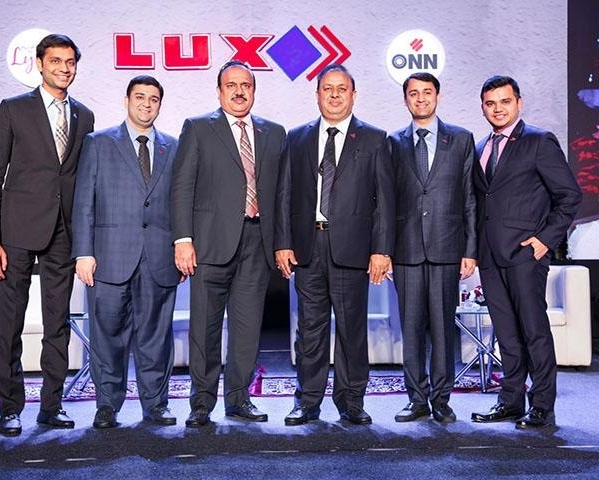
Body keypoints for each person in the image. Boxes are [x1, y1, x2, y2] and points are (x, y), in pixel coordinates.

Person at [0, 34, 94, 436]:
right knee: (10, 322)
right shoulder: (13, 109)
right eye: (56, 61)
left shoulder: (84, 116)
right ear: (40, 64)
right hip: (16, 231)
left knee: (57, 323)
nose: (64, 68)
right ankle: (9, 407)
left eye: (70, 62)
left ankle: (51, 405)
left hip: (63, 231)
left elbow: (80, 180)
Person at [275, 64, 395, 426]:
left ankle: (351, 401)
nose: (335, 95)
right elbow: (284, 194)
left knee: (351, 329)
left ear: (353, 95)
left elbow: (385, 201)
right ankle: (307, 401)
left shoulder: (374, 139)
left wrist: (381, 250)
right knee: (309, 330)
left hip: (353, 249)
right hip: (308, 246)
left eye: (342, 89)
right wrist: (283, 243)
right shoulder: (297, 137)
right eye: (327, 88)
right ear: (317, 95)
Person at [171, 60, 286, 427]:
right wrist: (183, 239)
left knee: (247, 328)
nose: (239, 91)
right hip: (209, 244)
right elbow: (182, 186)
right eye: (231, 85)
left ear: (254, 91)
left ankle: (239, 399)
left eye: (245, 85)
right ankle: (201, 404)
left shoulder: (274, 132)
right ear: (219, 91)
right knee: (204, 329)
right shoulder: (198, 128)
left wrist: (281, 243)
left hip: (257, 241)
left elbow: (281, 194)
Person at [470, 76, 582, 428]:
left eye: (504, 101)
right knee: (506, 334)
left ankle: (542, 406)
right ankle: (511, 401)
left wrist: (545, 239)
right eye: (490, 103)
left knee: (534, 331)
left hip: (525, 255)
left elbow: (569, 195)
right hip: (490, 256)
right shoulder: (480, 146)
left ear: (518, 103)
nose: (497, 109)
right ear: (483, 107)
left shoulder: (538, 141)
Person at [72, 75, 180, 429]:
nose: (146, 104)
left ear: (159, 104)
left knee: (156, 337)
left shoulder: (173, 146)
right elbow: (83, 202)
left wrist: (182, 246)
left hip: (159, 258)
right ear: (127, 100)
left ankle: (156, 405)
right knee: (107, 337)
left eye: (153, 99)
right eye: (140, 97)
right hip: (109, 256)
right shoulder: (99, 143)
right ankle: (107, 405)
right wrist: (83, 252)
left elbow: (182, 203)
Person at [389, 72, 477, 424]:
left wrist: (470, 249)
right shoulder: (393, 142)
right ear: (405, 100)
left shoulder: (461, 139)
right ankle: (416, 399)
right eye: (413, 93)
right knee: (411, 331)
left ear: (437, 96)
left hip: (447, 248)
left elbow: (469, 198)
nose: (421, 98)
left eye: (427, 92)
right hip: (406, 250)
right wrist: (384, 251)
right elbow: (386, 200)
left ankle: (441, 399)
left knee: (442, 330)